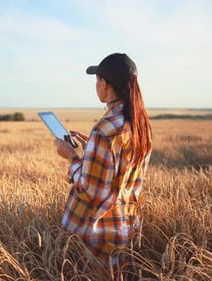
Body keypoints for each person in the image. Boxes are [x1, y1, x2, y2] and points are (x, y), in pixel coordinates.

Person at [54, 53, 153, 268]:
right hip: (126, 226)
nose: (96, 85)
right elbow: (121, 165)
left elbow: (92, 189)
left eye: (97, 79)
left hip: (97, 236)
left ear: (105, 84)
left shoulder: (104, 130)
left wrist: (72, 157)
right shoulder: (139, 124)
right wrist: (92, 148)